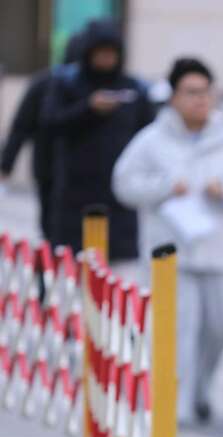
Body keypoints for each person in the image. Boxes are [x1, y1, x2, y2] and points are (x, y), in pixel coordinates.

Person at [113, 57, 223, 425]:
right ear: (174, 97)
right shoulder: (152, 140)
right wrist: (165, 188)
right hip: (171, 256)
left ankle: (201, 389)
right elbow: (123, 184)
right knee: (176, 332)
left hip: (221, 253)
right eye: (191, 92)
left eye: (205, 92)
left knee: (219, 329)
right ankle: (175, 406)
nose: (200, 99)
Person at [42, 20, 154, 266]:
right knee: (73, 268)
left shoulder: (133, 89)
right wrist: (88, 109)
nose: (106, 59)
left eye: (111, 53)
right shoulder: (67, 85)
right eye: (100, 52)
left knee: (117, 272)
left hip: (119, 201)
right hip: (75, 198)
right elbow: (49, 125)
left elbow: (149, 134)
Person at [0, 31, 84, 240]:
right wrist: (6, 165)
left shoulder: (102, 86)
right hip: (49, 165)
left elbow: (20, 127)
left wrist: (6, 164)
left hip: (68, 168)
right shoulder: (48, 83)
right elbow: (21, 126)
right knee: (53, 222)